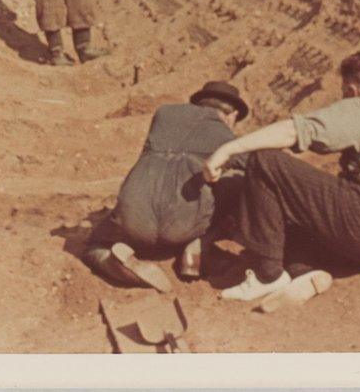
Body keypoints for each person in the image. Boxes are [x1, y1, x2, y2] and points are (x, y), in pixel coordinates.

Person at [202, 50, 360, 311]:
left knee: (265, 161)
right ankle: (303, 272)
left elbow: (292, 132)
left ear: (351, 89)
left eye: (343, 91)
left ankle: (267, 275)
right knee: (295, 216)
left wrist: (227, 150)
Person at [82, 81, 250, 292]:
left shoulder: (164, 114)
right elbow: (260, 166)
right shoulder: (226, 136)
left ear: (198, 103)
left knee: (94, 245)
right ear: (231, 114)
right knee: (237, 182)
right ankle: (200, 243)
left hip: (134, 218)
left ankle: (111, 261)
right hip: (183, 227)